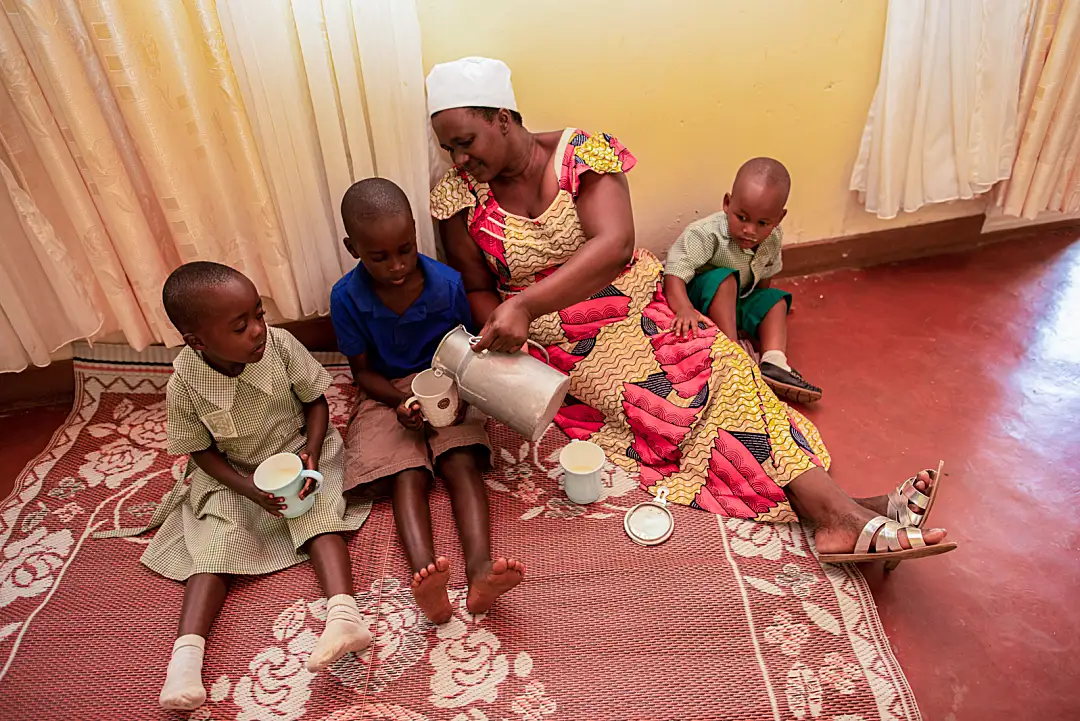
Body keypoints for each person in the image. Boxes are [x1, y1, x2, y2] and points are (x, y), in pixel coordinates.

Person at [426, 56, 956, 566]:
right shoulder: (460, 196)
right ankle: (852, 511)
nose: (459, 160)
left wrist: (521, 301)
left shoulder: (580, 154)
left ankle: (841, 514)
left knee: (725, 368)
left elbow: (614, 245)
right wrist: (507, 328)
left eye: (466, 142)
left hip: (636, 298)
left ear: (502, 118)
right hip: (563, 338)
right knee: (673, 408)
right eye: (449, 148)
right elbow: (476, 287)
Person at [99, 262, 373, 711]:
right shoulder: (186, 382)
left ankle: (345, 616)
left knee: (318, 512)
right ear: (198, 341)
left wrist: (311, 451)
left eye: (259, 314)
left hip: (299, 449)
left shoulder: (281, 346)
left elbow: (316, 403)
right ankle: (185, 659)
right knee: (214, 545)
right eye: (241, 325)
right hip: (233, 472)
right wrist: (246, 489)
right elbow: (200, 452)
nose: (258, 330)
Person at [331, 178, 524, 625]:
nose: (397, 265)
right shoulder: (346, 297)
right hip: (385, 391)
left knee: (461, 459)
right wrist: (399, 401)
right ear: (352, 247)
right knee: (405, 472)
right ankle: (426, 576)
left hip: (445, 379)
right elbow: (362, 372)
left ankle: (479, 569)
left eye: (405, 248)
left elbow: (464, 347)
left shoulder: (447, 283)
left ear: (416, 231)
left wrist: (459, 395)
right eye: (379, 257)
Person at [664, 157, 822, 403]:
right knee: (726, 278)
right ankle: (734, 356)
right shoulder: (706, 234)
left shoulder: (772, 237)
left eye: (762, 223)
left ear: (778, 219)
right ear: (727, 203)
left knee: (776, 300)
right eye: (742, 217)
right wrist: (684, 308)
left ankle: (774, 363)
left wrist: (762, 311)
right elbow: (674, 273)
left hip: (737, 301)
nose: (750, 230)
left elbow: (764, 279)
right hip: (700, 299)